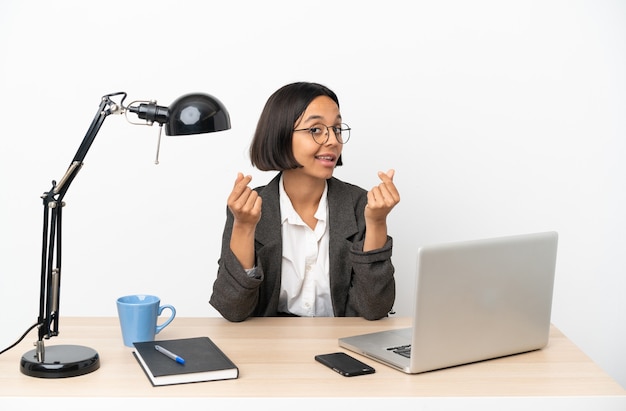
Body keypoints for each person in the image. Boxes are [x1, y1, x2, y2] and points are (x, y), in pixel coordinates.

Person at [209, 82, 400, 322]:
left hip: (341, 346)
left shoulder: (360, 204)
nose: (332, 140)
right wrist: (244, 227)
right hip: (269, 347)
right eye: (316, 130)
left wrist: (378, 223)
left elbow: (375, 308)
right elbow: (232, 309)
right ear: (280, 135)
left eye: (337, 128)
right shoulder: (250, 207)